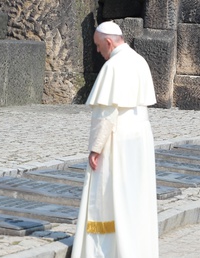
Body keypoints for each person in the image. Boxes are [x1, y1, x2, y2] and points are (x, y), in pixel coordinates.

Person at [71, 21, 159, 258]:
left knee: (108, 194)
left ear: (109, 42)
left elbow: (106, 114)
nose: (98, 52)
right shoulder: (139, 60)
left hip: (117, 138)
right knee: (135, 195)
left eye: (99, 46)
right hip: (140, 136)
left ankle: (107, 251)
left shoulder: (113, 67)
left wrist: (95, 149)